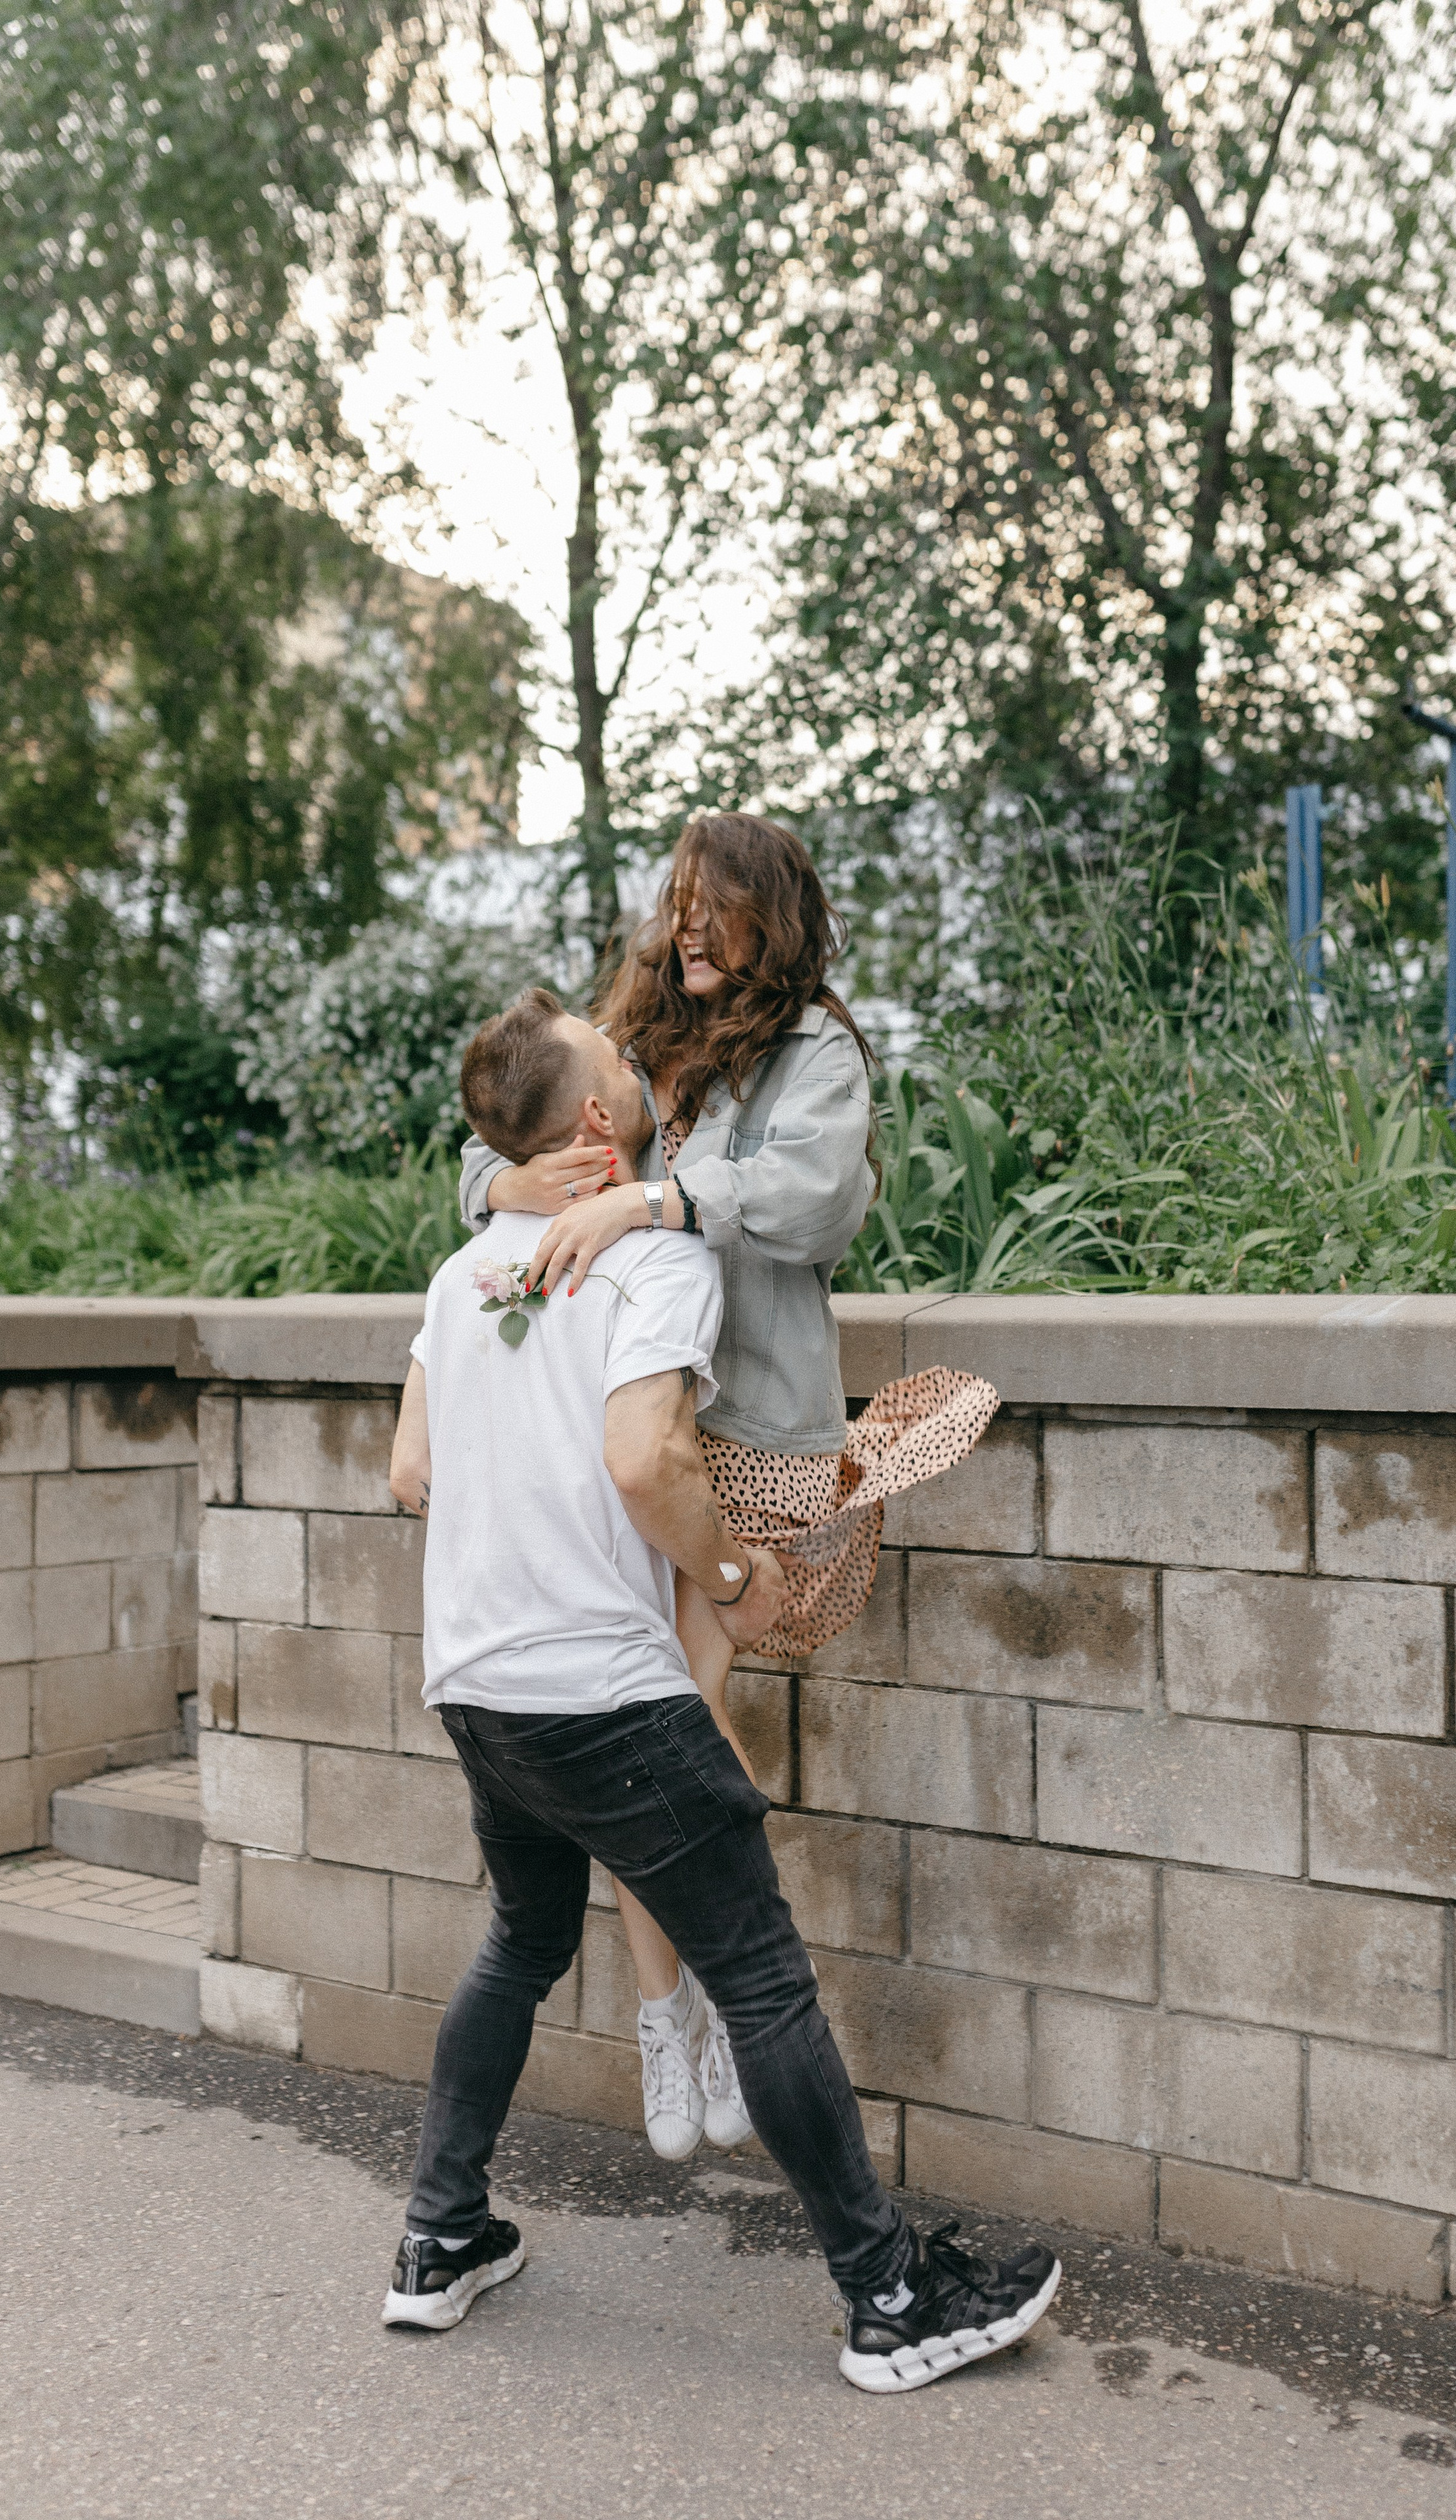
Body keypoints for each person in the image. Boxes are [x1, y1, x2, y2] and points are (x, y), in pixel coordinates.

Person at [382, 991, 1061, 2391]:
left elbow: (412, 1472)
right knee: (758, 1972)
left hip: (476, 1678)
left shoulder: (460, 1279)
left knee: (518, 1938)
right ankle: (887, 2298)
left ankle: (438, 2242)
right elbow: (648, 1463)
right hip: (606, 1691)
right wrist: (738, 1577)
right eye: (623, 1064)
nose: (642, 1070)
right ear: (593, 1121)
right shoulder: (654, 1267)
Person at [456, 812, 998, 2164]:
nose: (686, 930)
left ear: (772, 915)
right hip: (632, 1431)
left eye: (715, 910)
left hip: (747, 1432)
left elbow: (809, 1206)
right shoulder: (639, 1033)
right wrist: (511, 1175)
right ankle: (671, 2015)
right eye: (678, 905)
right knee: (668, 1728)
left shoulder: (814, 1047)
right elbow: (505, 1117)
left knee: (679, 1720)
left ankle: (679, 2019)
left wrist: (644, 1204)